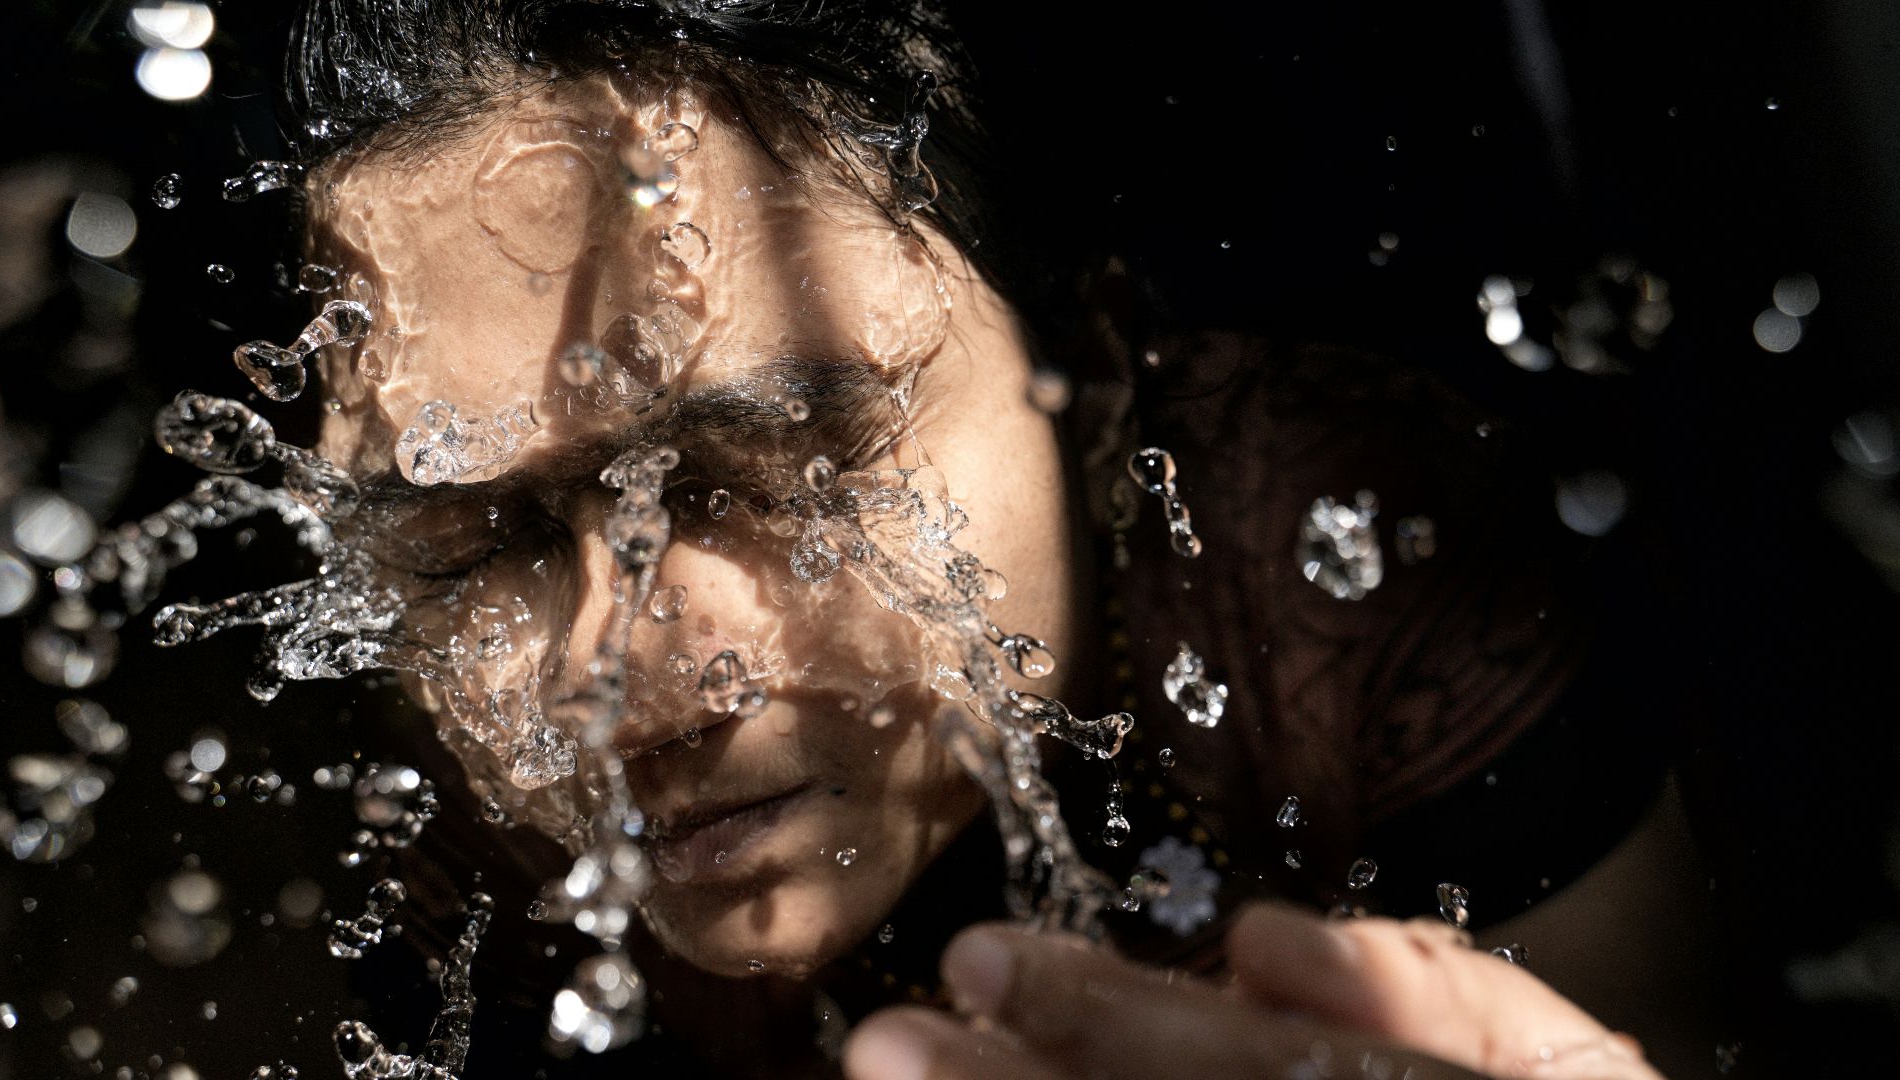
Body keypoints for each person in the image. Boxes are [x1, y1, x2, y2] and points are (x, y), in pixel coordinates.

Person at [284, 2, 1699, 1076]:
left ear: (1087, 383)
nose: (622, 685)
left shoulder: (1342, 557)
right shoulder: (467, 840)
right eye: (477, 543)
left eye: (774, 469)